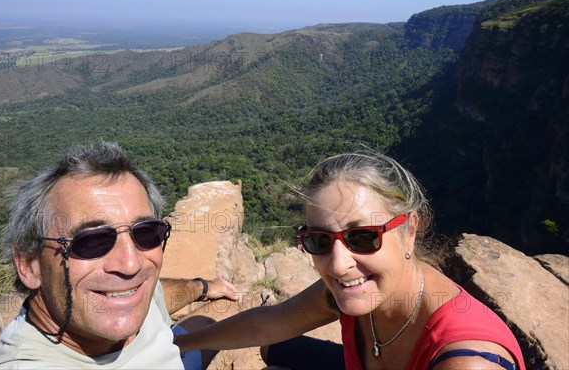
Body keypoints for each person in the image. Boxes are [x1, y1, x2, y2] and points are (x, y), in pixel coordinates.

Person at [175, 151, 526, 370]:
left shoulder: (467, 360)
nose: (339, 265)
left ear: (410, 229)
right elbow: (268, 323)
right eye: (319, 240)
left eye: (363, 237)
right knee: (273, 348)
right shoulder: (352, 293)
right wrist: (174, 345)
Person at [0, 142, 238, 370]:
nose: (131, 264)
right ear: (28, 265)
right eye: (92, 241)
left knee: (229, 309)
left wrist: (202, 287)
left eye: (145, 233)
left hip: (173, 350)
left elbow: (155, 296)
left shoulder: (126, 295)